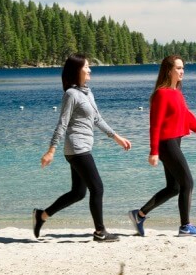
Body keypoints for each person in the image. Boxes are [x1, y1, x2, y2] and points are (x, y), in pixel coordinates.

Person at [34, 53, 131, 243]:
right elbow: (62, 123)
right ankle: (100, 232)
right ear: (77, 70)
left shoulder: (87, 92)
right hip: (77, 148)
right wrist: (51, 150)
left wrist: (116, 137)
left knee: (78, 193)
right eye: (86, 66)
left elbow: (97, 119)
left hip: (83, 147)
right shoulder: (70, 94)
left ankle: (42, 216)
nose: (90, 69)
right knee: (98, 188)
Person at [129, 55, 196, 237]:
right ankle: (185, 226)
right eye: (178, 68)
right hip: (166, 144)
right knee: (188, 182)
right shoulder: (161, 94)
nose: (182, 71)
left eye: (183, 68)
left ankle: (139, 215)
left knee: (174, 187)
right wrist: (153, 151)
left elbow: (188, 118)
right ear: (168, 70)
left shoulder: (177, 93)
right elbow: (154, 124)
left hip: (175, 142)